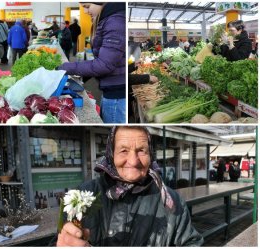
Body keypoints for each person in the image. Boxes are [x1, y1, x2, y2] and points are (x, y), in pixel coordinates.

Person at [56, 126, 204, 246]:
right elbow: (58, 240)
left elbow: (192, 242)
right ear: (111, 154)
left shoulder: (172, 201)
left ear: (150, 155)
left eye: (141, 150)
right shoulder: (80, 195)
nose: (133, 161)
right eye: (123, 151)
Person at [58, 3, 126, 123]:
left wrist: (65, 67)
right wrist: (84, 75)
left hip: (116, 96)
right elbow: (107, 60)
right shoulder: (108, 19)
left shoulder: (115, 22)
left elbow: (104, 64)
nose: (85, 11)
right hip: (111, 90)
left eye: (87, 6)